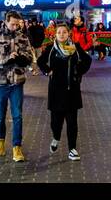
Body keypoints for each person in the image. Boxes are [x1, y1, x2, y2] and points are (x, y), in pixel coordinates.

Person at [38, 20, 93, 161]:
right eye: (59, 32)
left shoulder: (75, 47)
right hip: (56, 91)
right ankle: (56, 138)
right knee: (56, 122)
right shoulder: (51, 49)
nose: (62, 34)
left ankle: (72, 149)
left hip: (72, 90)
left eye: (64, 32)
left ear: (69, 33)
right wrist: (47, 71)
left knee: (72, 122)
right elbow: (40, 62)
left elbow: (87, 60)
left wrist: (78, 71)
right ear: (55, 34)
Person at [0, 11, 35, 162]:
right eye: (13, 24)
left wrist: (22, 58)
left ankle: (17, 147)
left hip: (17, 81)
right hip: (0, 81)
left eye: (17, 24)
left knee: (17, 116)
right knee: (0, 117)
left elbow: (29, 56)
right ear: (6, 21)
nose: (15, 27)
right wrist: (7, 58)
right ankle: (1, 141)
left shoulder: (23, 37)